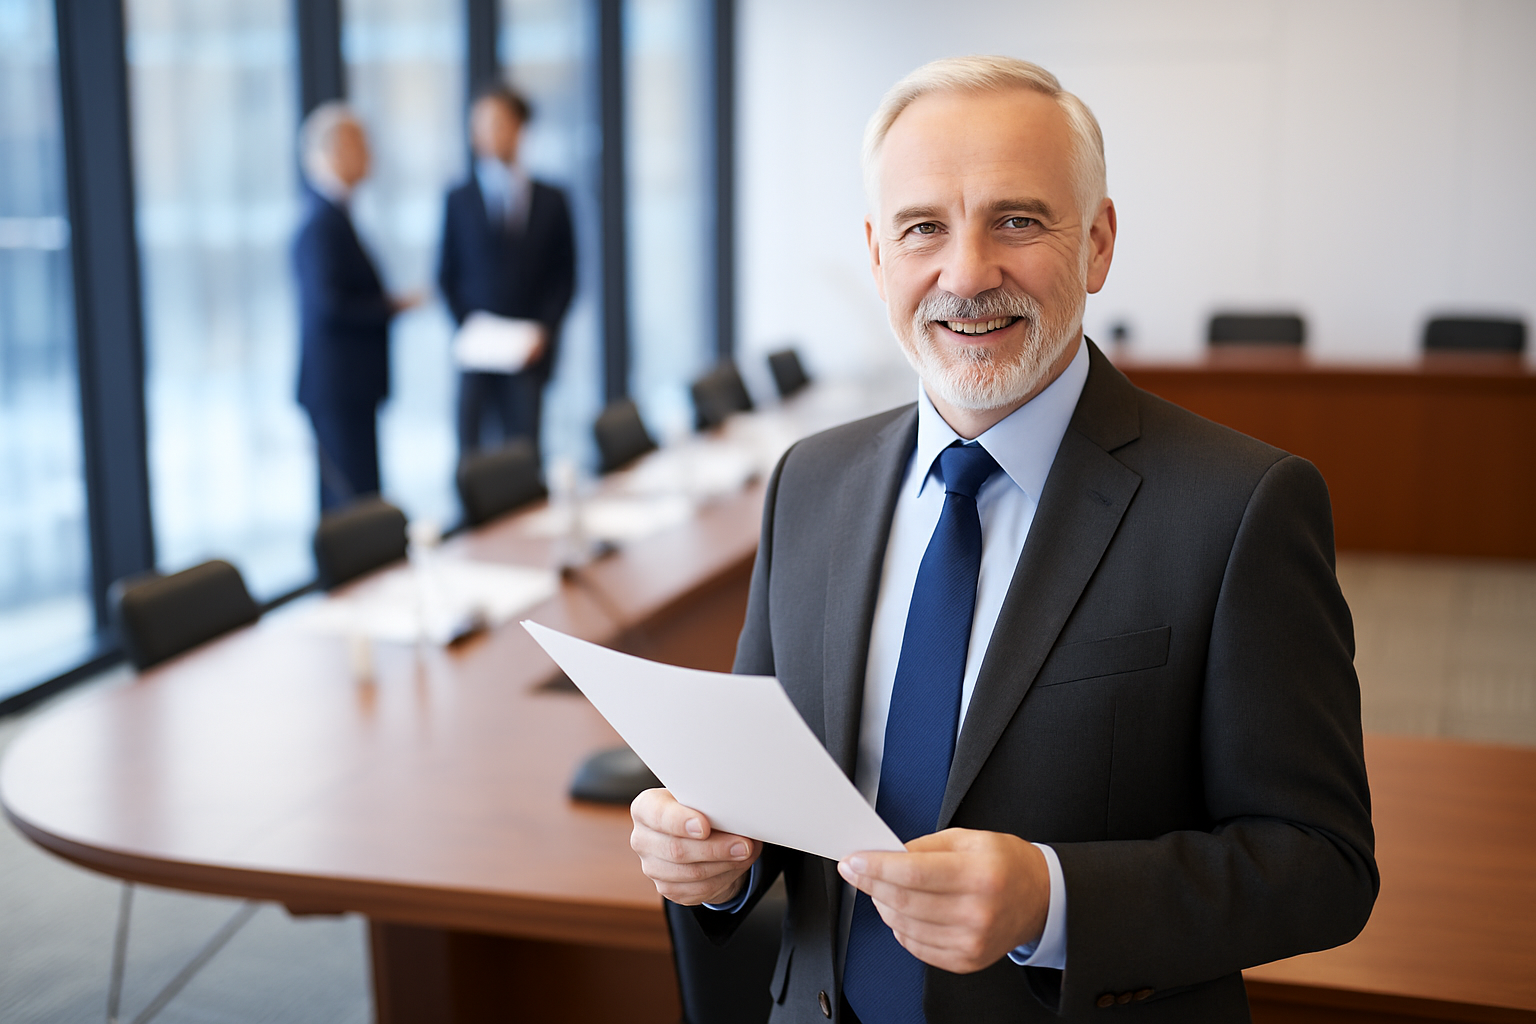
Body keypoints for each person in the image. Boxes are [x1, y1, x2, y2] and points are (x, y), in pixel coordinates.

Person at [629, 56, 1377, 1022]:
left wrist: (1051, 900)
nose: (967, 273)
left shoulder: (1241, 507)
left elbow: (1321, 863)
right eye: (923, 228)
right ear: (878, 257)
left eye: (1017, 221)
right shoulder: (809, 482)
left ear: (1097, 244)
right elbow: (766, 789)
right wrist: (712, 859)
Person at [438, 84, 576, 459]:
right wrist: (469, 328)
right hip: (477, 352)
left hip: (529, 352)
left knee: (525, 454)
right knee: (472, 457)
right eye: (480, 125)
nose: (489, 133)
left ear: (520, 127)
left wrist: (544, 331)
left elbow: (565, 276)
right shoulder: (458, 199)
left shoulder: (552, 199)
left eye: (499, 123)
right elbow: (446, 275)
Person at [293, 103, 418, 511]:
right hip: (338, 388)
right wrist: (389, 307)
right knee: (350, 509)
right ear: (333, 152)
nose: (370, 155)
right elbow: (330, 305)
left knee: (362, 497)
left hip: (352, 387)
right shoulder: (319, 223)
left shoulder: (339, 216)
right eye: (360, 145)